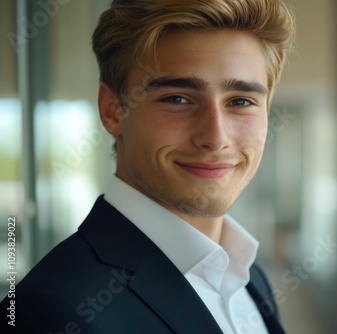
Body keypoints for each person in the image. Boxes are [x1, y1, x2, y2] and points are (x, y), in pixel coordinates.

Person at [1, 0, 295, 333]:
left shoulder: (246, 273)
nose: (216, 138)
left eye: (241, 102)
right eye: (177, 99)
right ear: (112, 111)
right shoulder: (49, 310)